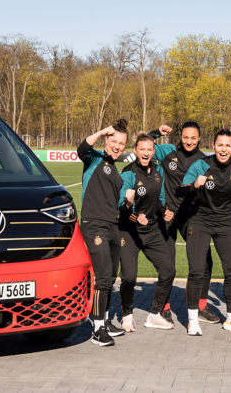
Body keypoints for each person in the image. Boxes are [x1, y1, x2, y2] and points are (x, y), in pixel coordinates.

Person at [178, 129, 231, 335]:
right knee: (196, 271)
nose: (223, 149)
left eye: (227, 146)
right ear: (213, 146)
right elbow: (181, 189)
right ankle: (193, 320)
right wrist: (194, 185)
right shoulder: (201, 165)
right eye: (220, 145)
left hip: (225, 223)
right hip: (200, 221)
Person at [147, 122, 219, 326]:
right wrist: (156, 132)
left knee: (205, 262)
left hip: (192, 217)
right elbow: (143, 146)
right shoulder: (168, 151)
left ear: (199, 139)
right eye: (185, 137)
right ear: (180, 136)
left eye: (193, 138)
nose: (189, 141)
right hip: (167, 215)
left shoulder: (204, 161)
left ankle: (201, 306)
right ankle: (165, 308)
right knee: (167, 263)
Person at [77, 119, 129, 346]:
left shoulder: (118, 175)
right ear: (107, 141)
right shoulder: (94, 160)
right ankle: (97, 330)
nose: (117, 146)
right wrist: (101, 131)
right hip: (94, 224)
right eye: (114, 141)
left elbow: (118, 206)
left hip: (112, 226)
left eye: (122, 143)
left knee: (111, 276)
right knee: (103, 276)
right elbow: (82, 148)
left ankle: (105, 320)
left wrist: (128, 203)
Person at [117, 134, 177, 331]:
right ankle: (126, 315)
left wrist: (164, 212)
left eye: (149, 149)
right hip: (129, 232)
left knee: (168, 270)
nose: (146, 153)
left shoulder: (159, 171)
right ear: (135, 150)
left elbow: (160, 200)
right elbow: (121, 207)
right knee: (129, 278)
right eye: (142, 149)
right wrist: (133, 211)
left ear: (153, 151)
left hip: (152, 231)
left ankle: (154, 314)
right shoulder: (128, 173)